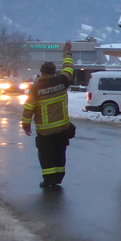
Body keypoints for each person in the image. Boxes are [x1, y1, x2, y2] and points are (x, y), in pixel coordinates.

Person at [21, 41, 75, 189]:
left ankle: (48, 180)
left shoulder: (37, 87)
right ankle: (58, 178)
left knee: (46, 156)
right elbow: (68, 68)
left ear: (42, 72)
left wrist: (26, 124)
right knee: (60, 154)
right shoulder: (62, 81)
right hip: (62, 129)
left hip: (45, 131)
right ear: (54, 71)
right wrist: (67, 52)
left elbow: (29, 107)